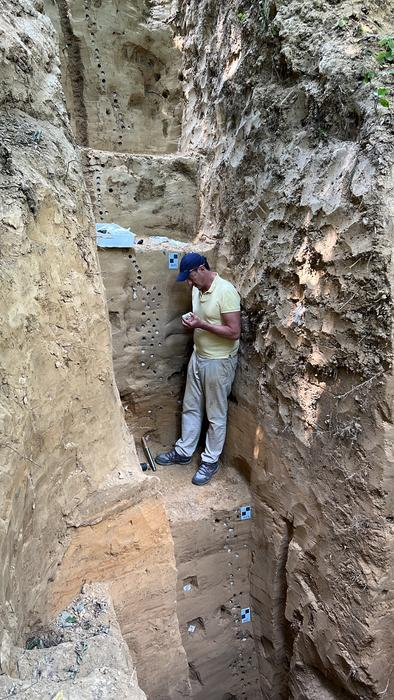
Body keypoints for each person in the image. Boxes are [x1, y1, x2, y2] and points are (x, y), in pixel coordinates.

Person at [155, 253, 241, 485]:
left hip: (219, 361)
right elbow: (201, 318)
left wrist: (201, 324)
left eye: (191, 277)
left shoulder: (226, 291)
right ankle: (184, 452)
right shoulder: (197, 289)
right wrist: (192, 322)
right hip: (199, 355)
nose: (189, 283)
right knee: (191, 407)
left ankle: (210, 460)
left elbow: (234, 332)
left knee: (215, 414)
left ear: (201, 269)